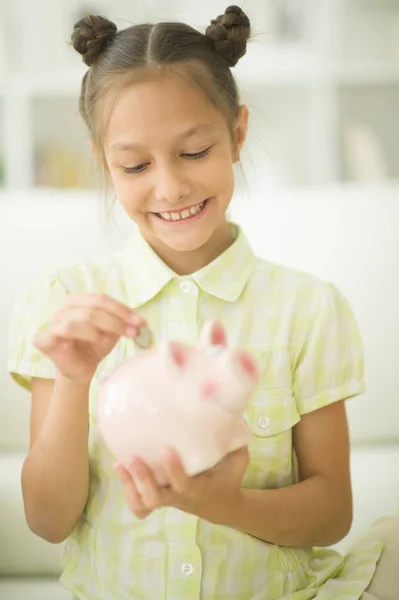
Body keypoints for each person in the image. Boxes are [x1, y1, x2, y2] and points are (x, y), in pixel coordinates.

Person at [7, 5, 398, 600]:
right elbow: (47, 519)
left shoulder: (309, 308)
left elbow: (330, 513)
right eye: (135, 165)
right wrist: (73, 380)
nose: (170, 187)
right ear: (104, 162)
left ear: (237, 133)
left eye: (194, 152)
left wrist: (224, 504)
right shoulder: (65, 303)